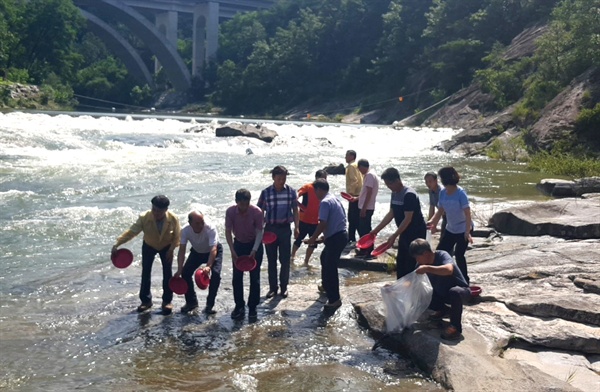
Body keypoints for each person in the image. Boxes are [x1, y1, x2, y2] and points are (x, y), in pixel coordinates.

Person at [111, 195, 181, 314]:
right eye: (154, 209)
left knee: (167, 273)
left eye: (159, 211)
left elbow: (177, 236)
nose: (155, 213)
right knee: (146, 272)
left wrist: (171, 250)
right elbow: (132, 232)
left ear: (166, 210)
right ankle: (146, 301)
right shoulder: (144, 217)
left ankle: (167, 301)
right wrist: (117, 244)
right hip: (149, 245)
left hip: (166, 247)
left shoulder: (173, 218)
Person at [370, 168, 426, 279]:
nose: (388, 187)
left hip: (416, 233)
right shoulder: (394, 194)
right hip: (404, 232)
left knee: (412, 261)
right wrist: (376, 230)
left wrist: (394, 235)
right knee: (401, 261)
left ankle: (414, 289)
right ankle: (401, 285)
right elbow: (391, 214)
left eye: (389, 184)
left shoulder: (409, 195)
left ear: (397, 180)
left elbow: (408, 219)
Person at [409, 238, 470, 341]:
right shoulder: (420, 265)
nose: (417, 261)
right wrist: (394, 287)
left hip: (460, 291)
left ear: (425, 253)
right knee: (422, 293)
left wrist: (427, 268)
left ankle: (455, 327)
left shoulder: (442, 255)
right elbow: (412, 282)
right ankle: (444, 310)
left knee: (454, 292)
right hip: (441, 293)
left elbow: (449, 270)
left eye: (417, 257)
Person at [257, 165, 299, 299]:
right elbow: (259, 211)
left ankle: (284, 287)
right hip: (270, 229)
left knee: (285, 260)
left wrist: (297, 227)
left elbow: (296, 211)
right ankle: (272, 288)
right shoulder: (266, 192)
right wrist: (259, 229)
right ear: (273, 178)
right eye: (279, 178)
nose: (282, 181)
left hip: (285, 229)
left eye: (284, 178)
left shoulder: (291, 192)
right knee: (271, 260)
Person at [427, 167, 473, 284]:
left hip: (463, 228)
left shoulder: (460, 193)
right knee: (441, 252)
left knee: (459, 254)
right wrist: (432, 222)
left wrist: (467, 232)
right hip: (450, 228)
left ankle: (464, 281)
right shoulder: (443, 192)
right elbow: (440, 211)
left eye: (441, 178)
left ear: (445, 179)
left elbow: (468, 214)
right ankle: (442, 278)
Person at [306, 179, 348, 309]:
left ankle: (334, 299)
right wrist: (324, 237)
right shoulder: (334, 199)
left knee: (330, 268)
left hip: (336, 238)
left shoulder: (324, 202)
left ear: (319, 189)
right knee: (324, 258)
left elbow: (322, 223)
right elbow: (337, 220)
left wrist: (313, 238)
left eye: (314, 191)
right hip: (341, 235)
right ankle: (326, 286)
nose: (314, 194)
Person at [225, 189, 264, 320]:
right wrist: (232, 250)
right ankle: (239, 306)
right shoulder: (230, 212)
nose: (244, 207)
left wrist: (254, 250)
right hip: (239, 244)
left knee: (255, 278)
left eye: (246, 204)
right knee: (237, 278)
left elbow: (260, 232)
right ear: (236, 202)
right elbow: (228, 231)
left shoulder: (257, 212)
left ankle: (252, 307)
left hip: (254, 244)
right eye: (241, 204)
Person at [175, 211, 223, 315]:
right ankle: (191, 302)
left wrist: (209, 266)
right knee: (185, 273)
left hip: (213, 250)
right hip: (197, 251)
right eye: (197, 223)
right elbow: (182, 250)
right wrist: (179, 268)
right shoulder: (185, 230)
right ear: (190, 223)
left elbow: (213, 249)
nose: (200, 225)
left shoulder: (210, 228)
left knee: (216, 274)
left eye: (202, 222)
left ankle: (209, 305)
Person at [291, 169, 327, 267]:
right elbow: (296, 195)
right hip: (304, 219)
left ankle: (306, 261)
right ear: (316, 179)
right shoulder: (308, 187)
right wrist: (300, 206)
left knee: (313, 242)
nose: (324, 181)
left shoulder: (324, 190)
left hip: (316, 220)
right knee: (299, 239)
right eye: (322, 179)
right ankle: (292, 257)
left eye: (325, 179)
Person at [355, 159, 379, 257]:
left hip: (367, 207)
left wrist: (364, 208)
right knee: (366, 228)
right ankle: (367, 249)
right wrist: (357, 198)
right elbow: (366, 193)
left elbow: (369, 192)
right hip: (369, 206)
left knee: (364, 229)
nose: (360, 171)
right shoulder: (372, 174)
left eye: (360, 169)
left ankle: (365, 250)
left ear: (363, 166)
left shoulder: (369, 175)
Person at [345, 150, 363, 243]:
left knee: (352, 219)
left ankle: (351, 239)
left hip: (354, 195)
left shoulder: (351, 166)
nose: (345, 157)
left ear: (352, 156)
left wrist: (350, 194)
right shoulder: (357, 165)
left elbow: (354, 181)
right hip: (359, 195)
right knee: (356, 219)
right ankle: (358, 238)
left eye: (347, 155)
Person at [424, 171, 446, 239]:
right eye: (426, 181)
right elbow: (432, 207)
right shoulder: (431, 191)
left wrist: (434, 224)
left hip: (450, 216)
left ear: (436, 181)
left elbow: (441, 210)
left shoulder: (442, 191)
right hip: (444, 215)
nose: (428, 184)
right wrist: (430, 224)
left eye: (430, 181)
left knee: (445, 239)